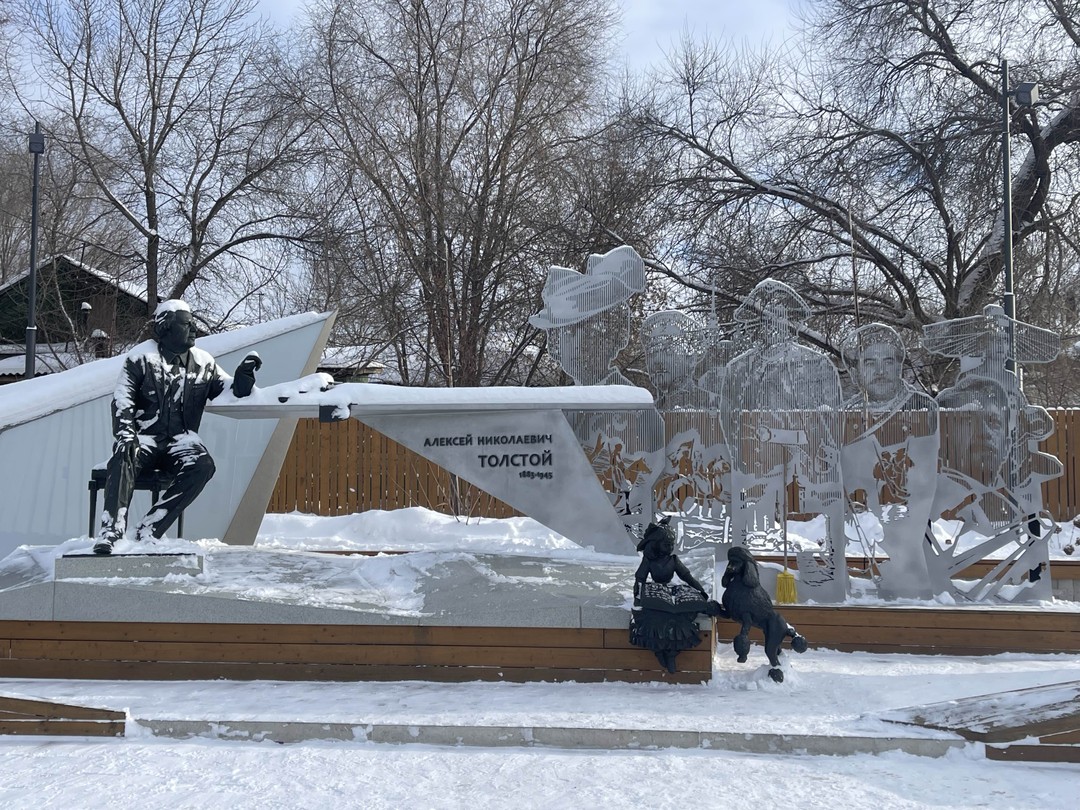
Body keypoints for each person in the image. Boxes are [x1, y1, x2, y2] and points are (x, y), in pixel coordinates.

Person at [93, 300, 261, 555]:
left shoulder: (204, 362)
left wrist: (244, 376)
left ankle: (151, 527)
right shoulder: (140, 358)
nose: (194, 328)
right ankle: (112, 532)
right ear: (165, 328)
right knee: (123, 454)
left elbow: (228, 392)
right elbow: (122, 399)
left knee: (203, 465)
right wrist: (126, 434)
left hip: (181, 441)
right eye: (186, 324)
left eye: (193, 323)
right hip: (145, 439)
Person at [840, 323, 939, 598]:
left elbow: (923, 471)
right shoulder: (847, 412)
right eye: (870, 362)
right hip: (861, 506)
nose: (880, 370)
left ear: (899, 365)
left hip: (905, 505)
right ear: (859, 369)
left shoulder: (920, 406)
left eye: (888, 361)